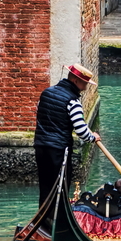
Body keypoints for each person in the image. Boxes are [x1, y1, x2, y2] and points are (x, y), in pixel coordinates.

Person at [34, 64, 99, 207]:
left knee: (45, 186)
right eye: (85, 83)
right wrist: (93, 137)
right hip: (58, 150)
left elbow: (39, 115)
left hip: (40, 146)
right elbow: (81, 131)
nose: (86, 87)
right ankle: (58, 220)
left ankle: (43, 220)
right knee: (60, 187)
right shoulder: (73, 101)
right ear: (75, 81)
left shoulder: (46, 93)